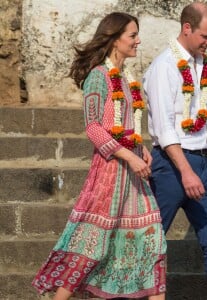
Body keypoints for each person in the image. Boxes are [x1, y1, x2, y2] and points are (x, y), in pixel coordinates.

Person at [32, 12, 167, 300]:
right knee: (90, 245)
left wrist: (138, 146)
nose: (138, 40)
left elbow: (126, 126)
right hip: (109, 175)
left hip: (134, 176)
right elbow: (93, 127)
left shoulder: (127, 78)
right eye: (132, 35)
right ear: (114, 38)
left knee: (152, 242)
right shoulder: (98, 76)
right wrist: (128, 156)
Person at [143, 2, 207, 300]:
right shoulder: (163, 67)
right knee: (148, 243)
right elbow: (164, 126)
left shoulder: (200, 63)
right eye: (205, 37)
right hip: (172, 166)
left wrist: (196, 169)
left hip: (201, 163)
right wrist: (185, 171)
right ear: (187, 28)